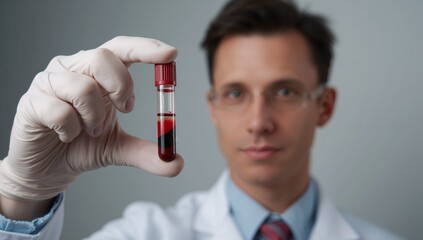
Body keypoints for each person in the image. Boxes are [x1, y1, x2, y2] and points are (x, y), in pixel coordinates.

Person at [0, 0, 403, 239]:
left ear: (324, 106)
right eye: (235, 93)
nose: (259, 122)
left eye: (285, 91)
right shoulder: (144, 233)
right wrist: (22, 198)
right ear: (212, 106)